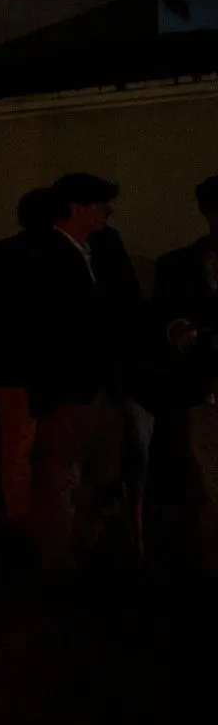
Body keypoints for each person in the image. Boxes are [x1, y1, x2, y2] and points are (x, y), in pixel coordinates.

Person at [16, 172, 147, 576]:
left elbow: (126, 304)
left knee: (102, 475)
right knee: (61, 477)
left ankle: (84, 551)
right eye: (99, 204)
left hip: (104, 385)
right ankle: (57, 563)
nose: (108, 212)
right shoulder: (43, 254)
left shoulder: (103, 247)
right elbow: (47, 324)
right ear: (77, 208)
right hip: (69, 388)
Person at [0, 186, 65, 527]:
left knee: (18, 450)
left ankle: (23, 519)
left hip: (13, 367)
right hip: (32, 367)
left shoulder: (7, 252)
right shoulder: (57, 254)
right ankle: (34, 520)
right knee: (33, 449)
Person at [153, 175, 218, 570]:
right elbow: (164, 315)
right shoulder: (178, 264)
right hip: (203, 387)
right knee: (205, 472)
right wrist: (176, 327)